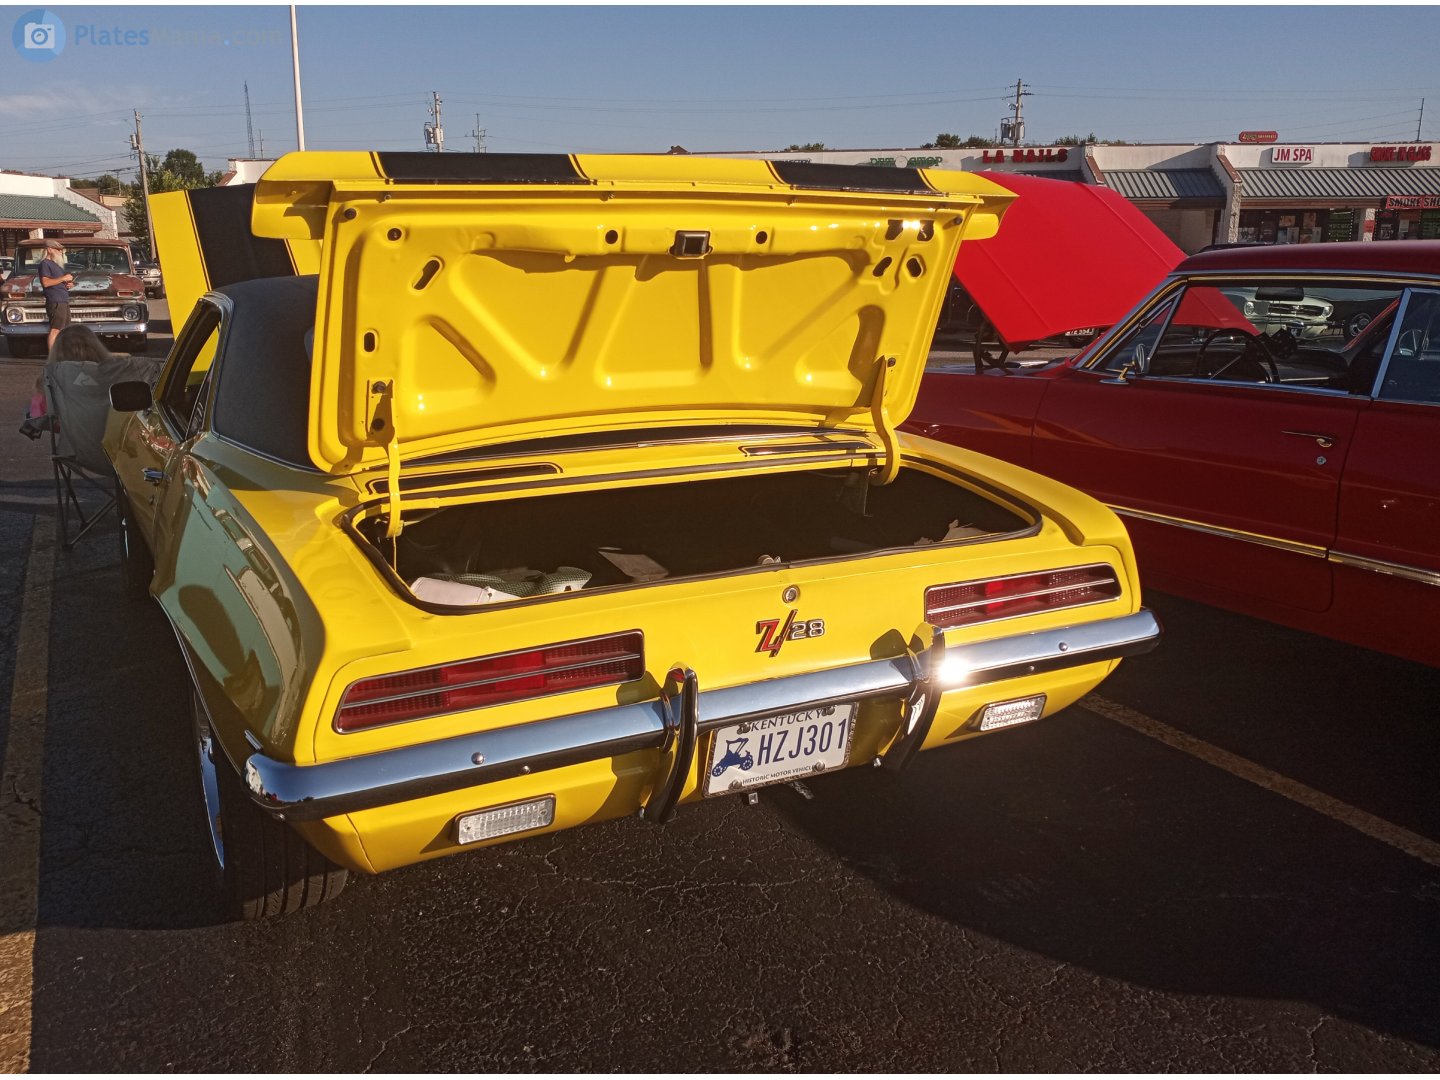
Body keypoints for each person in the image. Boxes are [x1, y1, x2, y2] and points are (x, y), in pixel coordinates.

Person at [36, 239, 75, 352]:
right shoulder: (45, 264)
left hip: (63, 300)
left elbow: (56, 281)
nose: (60, 252)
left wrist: (66, 284)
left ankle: (63, 355)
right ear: (49, 250)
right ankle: (52, 358)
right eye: (58, 250)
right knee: (55, 329)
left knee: (65, 329)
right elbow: (46, 282)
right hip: (55, 301)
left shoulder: (55, 265)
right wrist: (63, 278)